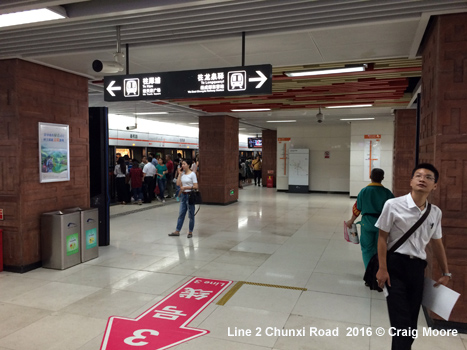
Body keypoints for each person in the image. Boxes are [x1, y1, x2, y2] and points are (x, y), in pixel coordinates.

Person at [375, 163, 451, 350]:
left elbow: (437, 243)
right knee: (400, 324)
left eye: (428, 177)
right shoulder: (392, 205)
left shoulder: (435, 213)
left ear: (434, 186)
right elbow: (382, 238)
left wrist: (446, 272)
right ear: (411, 181)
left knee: (411, 327)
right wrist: (382, 268)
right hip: (395, 267)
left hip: (417, 270)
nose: (422, 179)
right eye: (418, 175)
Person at [346, 168, 394, 269]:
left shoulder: (364, 191)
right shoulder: (387, 193)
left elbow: (357, 208)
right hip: (382, 224)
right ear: (383, 178)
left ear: (370, 177)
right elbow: (393, 210)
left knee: (367, 248)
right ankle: (378, 271)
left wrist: (351, 221)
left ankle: (369, 273)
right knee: (380, 248)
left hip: (367, 223)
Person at [168, 159, 198, 238]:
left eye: (184, 164)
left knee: (191, 215)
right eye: (182, 164)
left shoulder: (192, 174)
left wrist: (186, 187)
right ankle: (177, 231)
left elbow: (196, 186)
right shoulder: (183, 174)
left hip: (190, 195)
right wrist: (180, 174)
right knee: (181, 214)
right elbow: (178, 184)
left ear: (188, 165)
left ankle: (190, 232)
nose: (182, 166)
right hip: (183, 196)